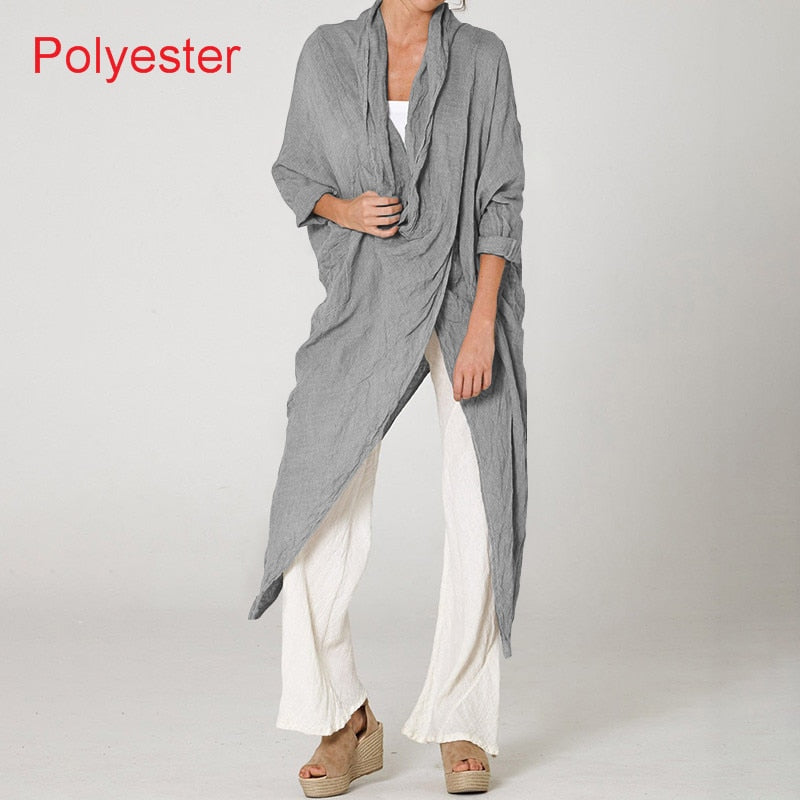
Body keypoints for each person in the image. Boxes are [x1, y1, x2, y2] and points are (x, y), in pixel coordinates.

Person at [249, 1, 527, 795]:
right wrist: (344, 210)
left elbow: (500, 198)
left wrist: (482, 326)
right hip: (367, 293)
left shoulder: (482, 56)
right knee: (316, 496)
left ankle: (461, 716)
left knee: (480, 500)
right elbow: (297, 171)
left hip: (466, 297)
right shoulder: (329, 53)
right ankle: (342, 717)